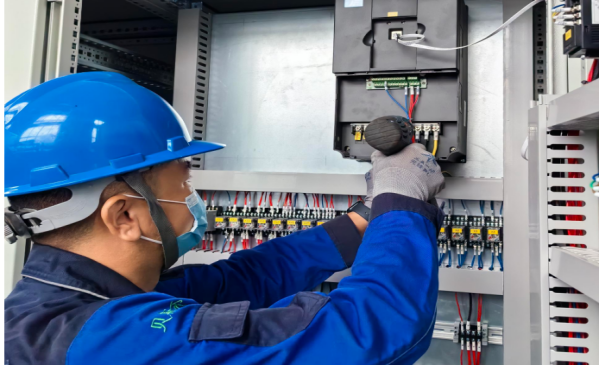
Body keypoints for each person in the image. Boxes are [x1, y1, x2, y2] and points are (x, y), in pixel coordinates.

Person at [4, 72, 444, 365]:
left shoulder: (80, 297)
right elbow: (372, 330)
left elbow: (243, 280)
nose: (192, 196)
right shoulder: (107, 344)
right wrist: (401, 198)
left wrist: (368, 216)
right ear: (125, 215)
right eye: (183, 180)